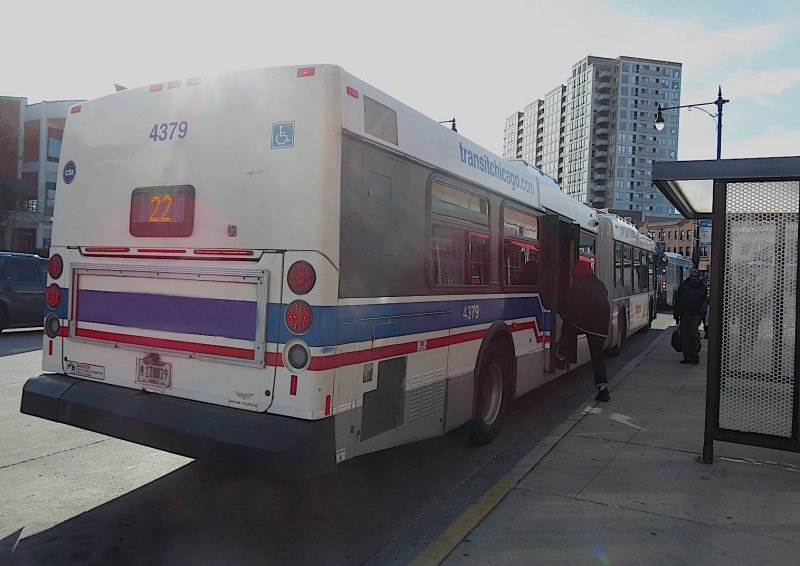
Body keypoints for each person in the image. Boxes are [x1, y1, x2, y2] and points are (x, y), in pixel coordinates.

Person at [558, 260, 612, 402]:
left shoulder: (578, 286)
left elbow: (571, 309)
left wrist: (563, 314)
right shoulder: (599, 284)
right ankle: (603, 389)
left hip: (587, 324)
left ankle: (562, 356)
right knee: (597, 358)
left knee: (568, 327)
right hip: (602, 328)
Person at [673, 268, 707, 364]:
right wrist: (676, 314)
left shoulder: (702, 288)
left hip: (695, 315)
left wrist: (702, 315)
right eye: (692, 276)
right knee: (684, 336)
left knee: (692, 335)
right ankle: (687, 356)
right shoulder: (684, 286)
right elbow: (678, 300)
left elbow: (704, 302)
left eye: (695, 277)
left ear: (698, 278)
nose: (693, 279)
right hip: (684, 314)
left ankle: (694, 356)